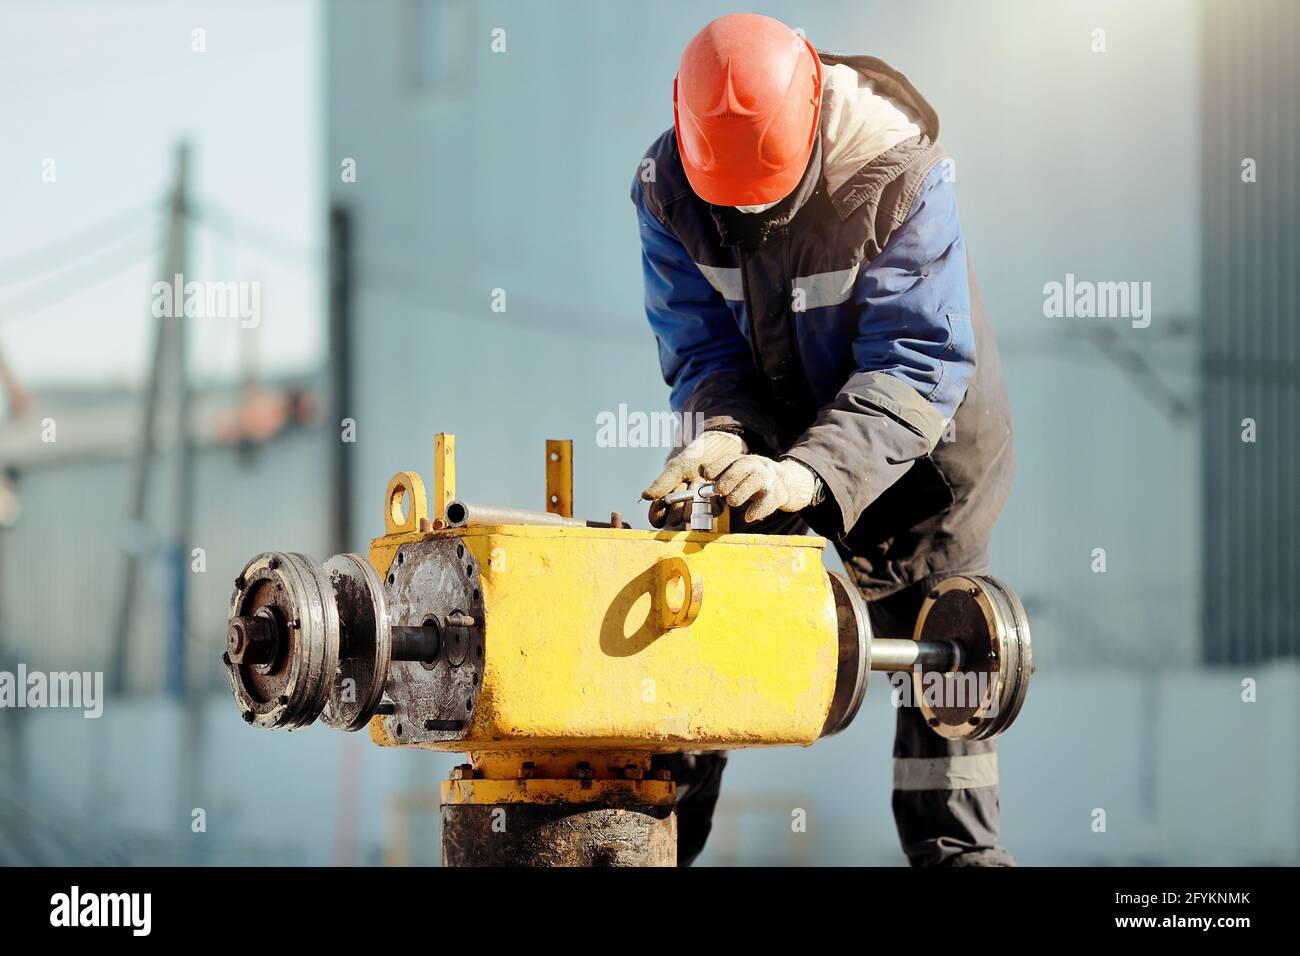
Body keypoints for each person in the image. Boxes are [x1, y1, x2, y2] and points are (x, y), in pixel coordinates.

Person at [633, 13, 1016, 867]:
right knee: (703, 615)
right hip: (768, 450)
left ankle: (960, 859)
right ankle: (649, 845)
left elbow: (917, 361)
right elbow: (702, 351)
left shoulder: (900, 176)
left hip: (922, 450)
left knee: (942, 655)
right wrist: (724, 437)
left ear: (811, 125)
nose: (751, 220)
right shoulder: (668, 193)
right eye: (733, 207)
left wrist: (812, 474)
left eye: (769, 199)